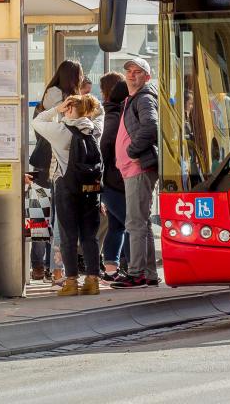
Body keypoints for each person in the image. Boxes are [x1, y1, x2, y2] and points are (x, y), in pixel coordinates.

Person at [32, 94, 104, 296]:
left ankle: (71, 281)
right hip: (91, 190)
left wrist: (57, 110)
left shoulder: (61, 131)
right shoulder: (94, 129)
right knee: (90, 235)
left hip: (67, 188)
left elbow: (37, 121)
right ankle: (92, 281)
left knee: (68, 236)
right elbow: (101, 114)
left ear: (69, 108)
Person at [31, 60, 84, 283]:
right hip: (53, 166)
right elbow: (56, 124)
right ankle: (53, 269)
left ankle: (49, 268)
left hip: (51, 166)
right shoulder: (56, 95)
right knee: (49, 220)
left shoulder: (54, 93)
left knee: (48, 219)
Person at [111, 57, 161, 289]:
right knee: (142, 222)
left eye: (138, 71)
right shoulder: (133, 99)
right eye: (129, 71)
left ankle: (137, 273)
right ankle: (149, 273)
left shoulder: (143, 98)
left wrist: (131, 150)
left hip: (138, 167)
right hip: (134, 168)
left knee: (134, 222)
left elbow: (151, 126)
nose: (131, 74)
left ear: (146, 77)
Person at [99, 73, 128, 281]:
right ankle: (131, 268)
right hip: (114, 180)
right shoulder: (114, 114)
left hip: (112, 180)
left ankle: (111, 269)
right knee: (131, 223)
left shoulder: (112, 112)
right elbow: (105, 145)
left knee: (117, 225)